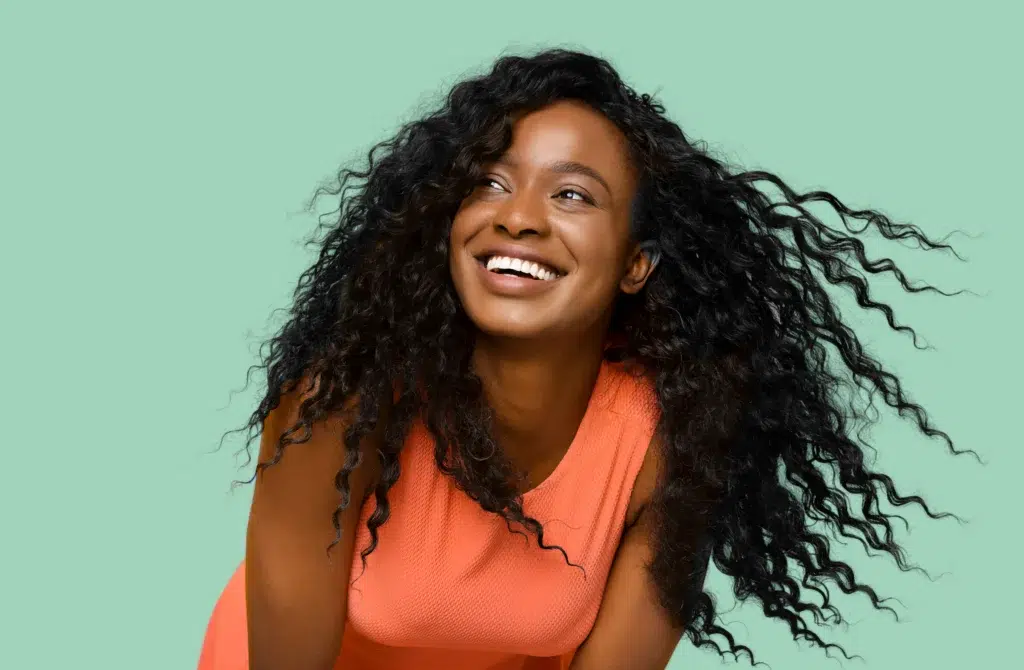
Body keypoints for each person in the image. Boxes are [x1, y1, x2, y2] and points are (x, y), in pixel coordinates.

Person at [197, 48, 967, 670]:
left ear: (637, 262)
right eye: (489, 183)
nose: (519, 218)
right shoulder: (342, 402)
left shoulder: (675, 430)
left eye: (572, 196)